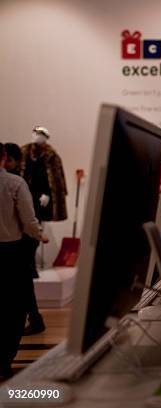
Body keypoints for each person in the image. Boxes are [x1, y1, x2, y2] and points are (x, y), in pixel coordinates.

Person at [0, 142, 48, 380]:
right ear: (4, 157)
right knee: (14, 307)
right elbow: (28, 219)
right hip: (9, 251)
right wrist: (40, 234)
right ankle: (4, 360)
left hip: (12, 250)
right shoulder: (14, 183)